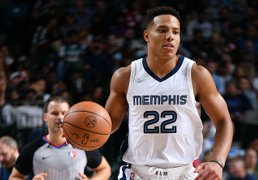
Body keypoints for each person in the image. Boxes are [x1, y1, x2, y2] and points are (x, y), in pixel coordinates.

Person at [105, 6, 234, 179]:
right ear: (147, 36)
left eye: (176, 32)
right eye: (162, 30)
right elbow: (108, 124)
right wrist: (84, 134)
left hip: (184, 172)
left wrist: (217, 161)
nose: (170, 36)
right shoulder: (125, 76)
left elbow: (223, 120)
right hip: (137, 172)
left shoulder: (196, 74)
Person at [9, 96, 111, 180]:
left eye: (64, 113)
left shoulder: (81, 146)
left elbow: (105, 169)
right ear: (45, 117)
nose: (60, 117)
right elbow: (14, 177)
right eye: (54, 113)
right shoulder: (32, 148)